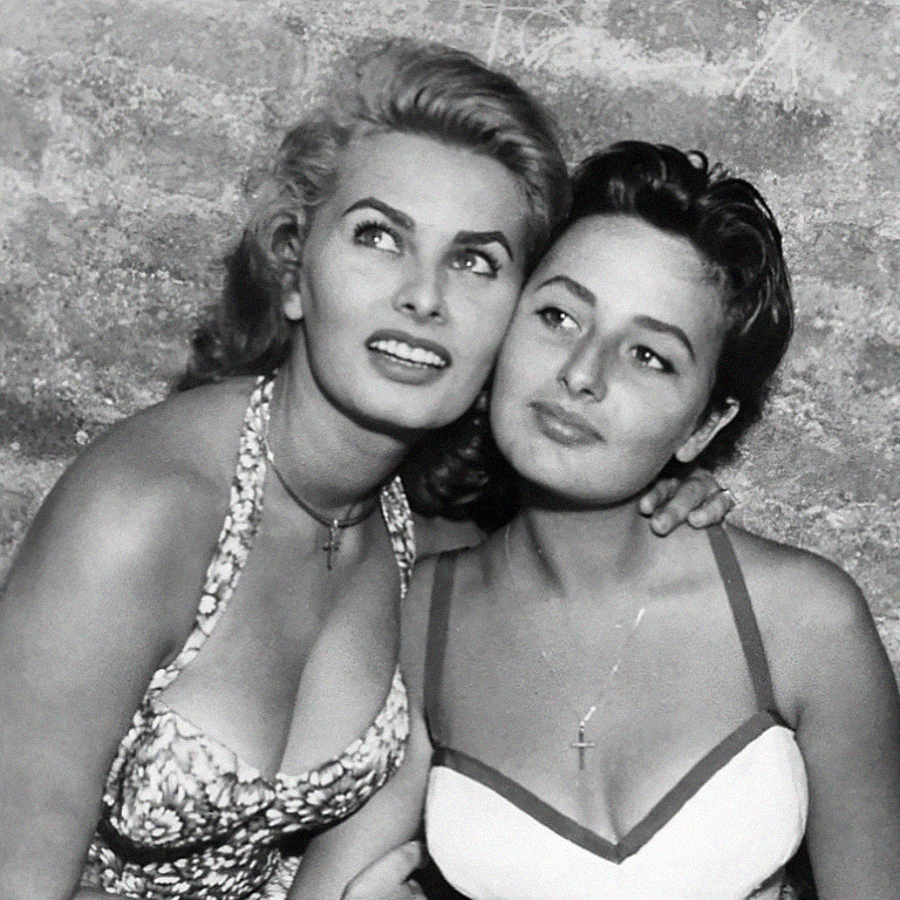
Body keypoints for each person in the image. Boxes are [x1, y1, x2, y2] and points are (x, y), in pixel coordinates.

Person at [0, 43, 732, 900]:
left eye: (475, 261)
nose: (424, 296)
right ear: (293, 272)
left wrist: (651, 503)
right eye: (380, 237)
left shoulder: (431, 549)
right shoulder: (142, 514)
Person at [347, 142, 900, 900]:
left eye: (648, 356)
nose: (582, 373)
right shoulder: (419, 619)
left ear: (705, 424)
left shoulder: (804, 621)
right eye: (558, 316)